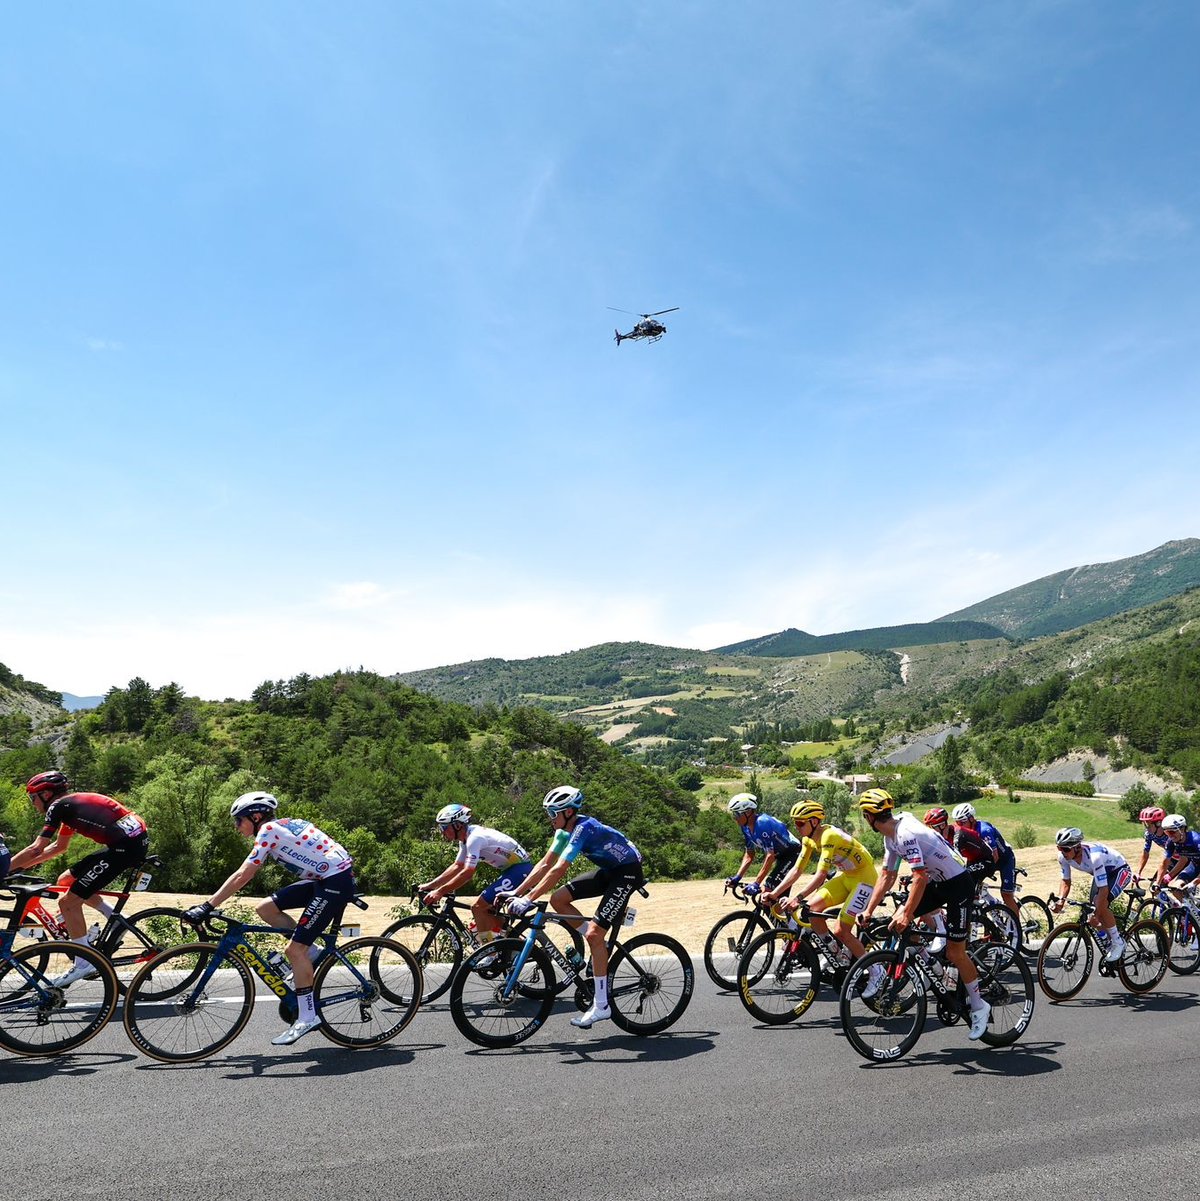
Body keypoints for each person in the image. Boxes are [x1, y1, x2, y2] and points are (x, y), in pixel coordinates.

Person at [182, 791, 355, 1046]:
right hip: (324, 877)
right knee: (265, 908)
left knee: (294, 950)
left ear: (255, 816)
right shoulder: (280, 826)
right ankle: (313, 953)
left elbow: (244, 874)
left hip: (334, 881)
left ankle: (307, 1017)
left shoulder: (269, 830)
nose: (236, 827)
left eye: (238, 821)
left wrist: (207, 905)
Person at [857, 788, 992, 1041]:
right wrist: (868, 910)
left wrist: (907, 913)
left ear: (868, 817)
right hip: (939, 882)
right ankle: (932, 970)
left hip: (958, 884)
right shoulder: (891, 836)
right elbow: (887, 875)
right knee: (897, 925)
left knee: (955, 951)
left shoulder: (904, 834)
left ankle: (979, 1006)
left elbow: (918, 876)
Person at [504, 786, 644, 1030]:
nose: (550, 817)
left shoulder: (583, 827)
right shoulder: (563, 831)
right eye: (548, 812)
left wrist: (528, 900)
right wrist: (517, 893)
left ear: (568, 811)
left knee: (593, 935)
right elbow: (545, 864)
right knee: (558, 900)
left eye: (553, 812)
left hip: (627, 872)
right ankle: (600, 944)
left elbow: (559, 869)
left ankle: (602, 1006)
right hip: (609, 870)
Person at [8, 770, 149, 984]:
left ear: (45, 794)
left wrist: (5, 869)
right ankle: (117, 921)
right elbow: (58, 847)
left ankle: (84, 963)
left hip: (125, 848)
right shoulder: (69, 806)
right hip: (126, 844)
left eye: (32, 797)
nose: (32, 803)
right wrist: (19, 869)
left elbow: (37, 848)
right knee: (65, 881)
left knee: (68, 903)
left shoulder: (58, 806)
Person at [768, 797, 877, 965]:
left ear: (813, 822)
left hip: (865, 879)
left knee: (841, 930)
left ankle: (876, 971)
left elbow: (820, 875)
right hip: (846, 876)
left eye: (800, 823)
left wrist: (796, 898)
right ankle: (837, 954)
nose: (796, 827)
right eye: (795, 823)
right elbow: (797, 869)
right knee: (811, 910)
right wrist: (774, 894)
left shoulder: (828, 836)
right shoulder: (808, 839)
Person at [418, 803, 532, 944]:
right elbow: (457, 866)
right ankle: (514, 947)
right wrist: (430, 885)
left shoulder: (474, 839)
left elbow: (467, 873)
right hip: (512, 870)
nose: (442, 832)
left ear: (457, 825)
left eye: (444, 827)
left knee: (477, 907)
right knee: (486, 915)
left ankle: (490, 954)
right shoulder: (466, 838)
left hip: (519, 870)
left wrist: (440, 892)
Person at [1051, 827, 1130, 963]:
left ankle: (1118, 942)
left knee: (1100, 906)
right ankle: (1107, 943)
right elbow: (1065, 881)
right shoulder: (1063, 857)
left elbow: (1104, 891)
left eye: (1066, 849)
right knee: (1093, 909)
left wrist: (1097, 915)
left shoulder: (1094, 857)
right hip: (1102, 875)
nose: (1062, 852)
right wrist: (1060, 902)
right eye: (1060, 848)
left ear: (1077, 847)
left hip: (1119, 871)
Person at [724, 793, 805, 904]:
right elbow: (749, 854)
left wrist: (756, 883)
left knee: (767, 893)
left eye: (737, 813)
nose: (734, 817)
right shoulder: (745, 827)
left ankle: (791, 920)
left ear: (748, 812)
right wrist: (737, 877)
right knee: (771, 900)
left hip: (793, 854)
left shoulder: (762, 823)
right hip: (781, 857)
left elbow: (769, 856)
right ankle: (786, 918)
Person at [951, 803, 1019, 920]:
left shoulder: (984, 830)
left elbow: (995, 856)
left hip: (1004, 859)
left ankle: (1018, 930)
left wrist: (982, 871)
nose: (959, 825)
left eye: (962, 822)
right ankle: (993, 903)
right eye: (957, 822)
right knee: (968, 886)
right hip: (982, 858)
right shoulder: (962, 832)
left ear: (971, 818)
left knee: (1007, 894)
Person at [1159, 814, 1200, 887]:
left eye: (1172, 832)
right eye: (1166, 832)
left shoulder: (1196, 840)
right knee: (1176, 888)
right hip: (1194, 866)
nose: (1170, 836)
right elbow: (1165, 863)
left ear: (1182, 829)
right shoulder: (1171, 842)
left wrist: (1194, 882)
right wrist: (1159, 882)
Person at [1134, 806, 1172, 883]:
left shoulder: (1170, 833)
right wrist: (1138, 872)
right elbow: (1145, 853)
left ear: (1158, 823)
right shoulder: (1149, 834)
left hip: (1187, 858)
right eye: (1144, 824)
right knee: (1155, 887)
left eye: (1148, 824)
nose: (1146, 827)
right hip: (1173, 859)